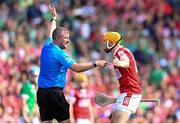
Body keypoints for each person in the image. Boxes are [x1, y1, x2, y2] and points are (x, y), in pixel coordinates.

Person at [36, 5, 108, 123]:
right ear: (58, 38)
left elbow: (51, 33)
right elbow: (76, 68)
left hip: (42, 93)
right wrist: (95, 63)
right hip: (55, 93)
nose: (68, 40)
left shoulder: (47, 45)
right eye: (66, 38)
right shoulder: (59, 53)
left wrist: (54, 18)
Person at [96, 32, 142, 123]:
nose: (103, 45)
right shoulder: (117, 54)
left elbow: (126, 61)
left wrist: (121, 63)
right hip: (125, 92)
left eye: (105, 42)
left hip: (131, 92)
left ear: (112, 43)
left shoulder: (121, 52)